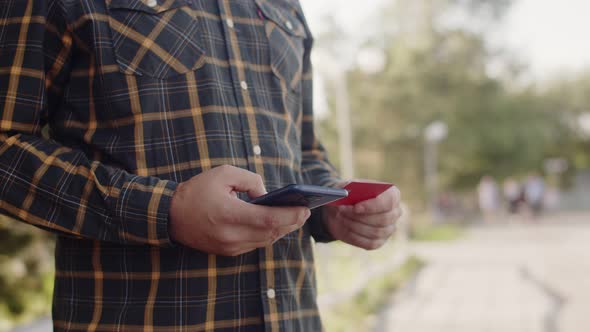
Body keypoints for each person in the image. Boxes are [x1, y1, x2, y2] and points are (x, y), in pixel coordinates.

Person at [0, 1, 402, 331]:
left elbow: (303, 150)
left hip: (295, 318)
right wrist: (165, 211)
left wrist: (333, 206)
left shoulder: (286, 6)